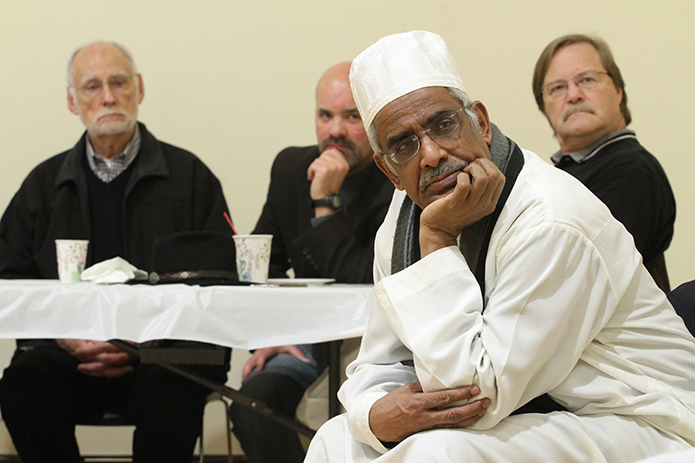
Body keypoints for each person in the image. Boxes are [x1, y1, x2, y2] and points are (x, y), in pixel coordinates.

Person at [304, 30, 695, 463]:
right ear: (389, 171)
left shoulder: (551, 218)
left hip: (640, 417)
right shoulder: (403, 216)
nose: (431, 154)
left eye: (443, 124)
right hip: (540, 409)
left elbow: (475, 396)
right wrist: (374, 416)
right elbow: (378, 361)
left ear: (481, 124)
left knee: (441, 451)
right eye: (404, 145)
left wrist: (437, 241)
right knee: (335, 440)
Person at [0, 41, 232, 463]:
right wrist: (65, 335)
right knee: (22, 388)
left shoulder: (191, 178)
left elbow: (219, 279)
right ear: (73, 101)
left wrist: (146, 335)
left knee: (175, 394)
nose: (108, 96)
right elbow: (8, 279)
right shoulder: (43, 184)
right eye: (92, 86)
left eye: (118, 82)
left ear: (139, 88)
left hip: (164, 355)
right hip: (66, 353)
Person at [229, 62, 394, 463]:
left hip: (374, 343)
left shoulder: (396, 174)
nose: (334, 130)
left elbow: (365, 280)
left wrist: (325, 204)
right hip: (308, 340)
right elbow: (263, 264)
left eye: (352, 116)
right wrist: (272, 330)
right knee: (253, 407)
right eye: (325, 115)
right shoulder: (290, 168)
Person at [532, 34, 675, 293]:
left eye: (587, 80)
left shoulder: (630, 170)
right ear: (544, 107)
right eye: (557, 88)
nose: (573, 95)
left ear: (618, 91)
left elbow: (581, 286)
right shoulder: (563, 174)